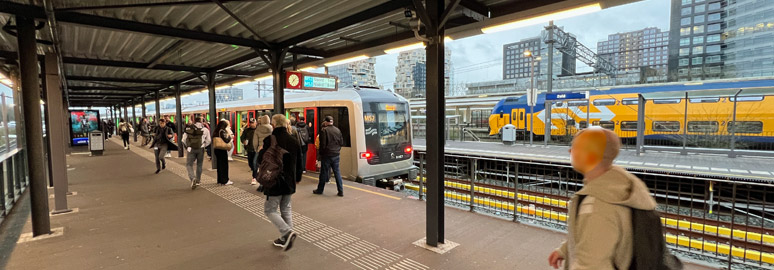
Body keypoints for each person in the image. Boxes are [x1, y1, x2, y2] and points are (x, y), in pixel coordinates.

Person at [548, 128, 657, 270]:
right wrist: (565, 250)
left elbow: (591, 265)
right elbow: (594, 238)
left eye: (575, 147)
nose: (570, 151)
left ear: (590, 156)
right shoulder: (619, 185)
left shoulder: (598, 206)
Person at [259, 114, 303, 251]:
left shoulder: (269, 140)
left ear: (273, 124)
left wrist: (261, 151)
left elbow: (261, 159)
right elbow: (299, 162)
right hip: (289, 180)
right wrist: (297, 177)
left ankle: (287, 232)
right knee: (286, 208)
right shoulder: (293, 140)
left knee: (270, 209)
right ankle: (286, 238)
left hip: (274, 180)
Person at [313, 116, 344, 197]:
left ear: (326, 122)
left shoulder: (324, 130)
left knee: (323, 173)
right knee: (337, 172)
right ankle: (341, 191)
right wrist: (337, 150)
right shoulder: (338, 130)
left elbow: (322, 145)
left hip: (327, 155)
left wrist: (320, 155)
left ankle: (320, 190)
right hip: (336, 154)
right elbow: (341, 142)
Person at [182, 117, 211, 190]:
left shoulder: (189, 129)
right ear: (201, 121)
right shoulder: (205, 130)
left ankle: (192, 178)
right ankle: (198, 180)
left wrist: (188, 147)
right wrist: (203, 145)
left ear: (194, 121)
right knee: (199, 164)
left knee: (189, 164)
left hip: (191, 149)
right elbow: (209, 141)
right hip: (200, 149)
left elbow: (183, 140)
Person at [252, 115, 273, 185]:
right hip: (270, 149)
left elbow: (255, 141)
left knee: (257, 163)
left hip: (260, 149)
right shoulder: (272, 128)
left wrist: (256, 149)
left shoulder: (257, 129)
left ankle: (256, 177)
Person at [213, 119, 234, 185]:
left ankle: (220, 180)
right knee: (224, 165)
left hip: (216, 149)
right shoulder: (222, 131)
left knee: (219, 166)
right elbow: (226, 140)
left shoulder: (216, 131)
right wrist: (230, 137)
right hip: (222, 150)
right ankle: (225, 180)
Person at [240, 118, 258, 185]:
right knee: (250, 163)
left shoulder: (258, 130)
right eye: (250, 123)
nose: (252, 124)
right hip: (249, 149)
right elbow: (242, 138)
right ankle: (255, 171)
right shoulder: (246, 130)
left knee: (254, 163)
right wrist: (243, 141)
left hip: (256, 149)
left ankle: (254, 177)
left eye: (253, 123)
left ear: (256, 123)